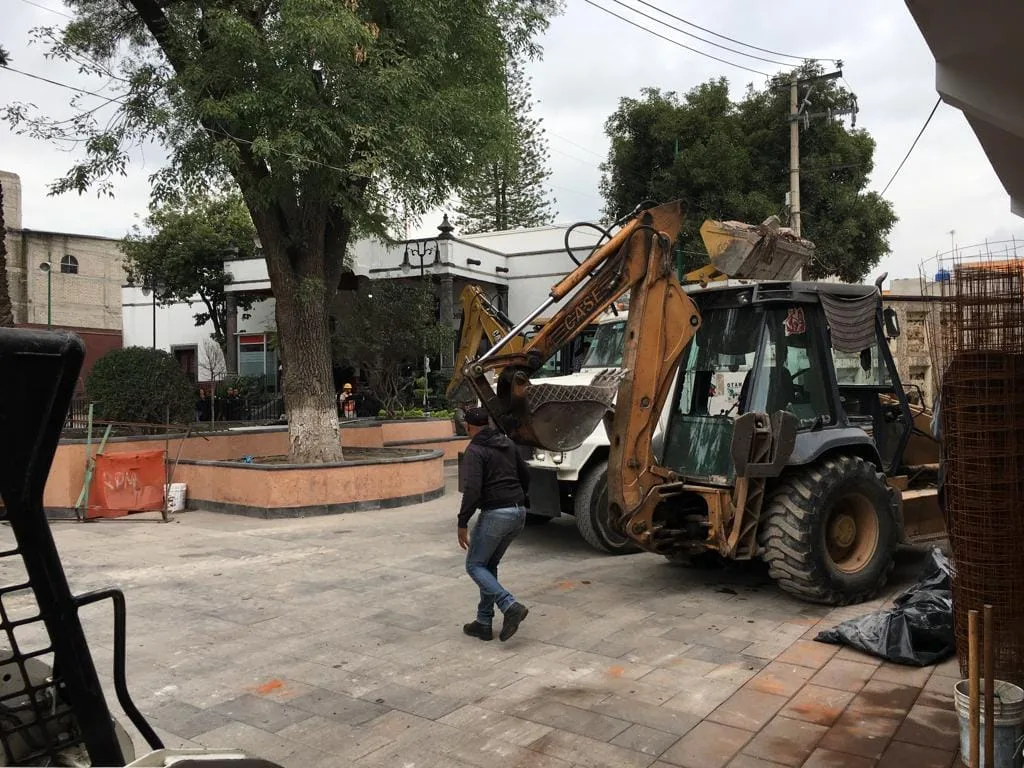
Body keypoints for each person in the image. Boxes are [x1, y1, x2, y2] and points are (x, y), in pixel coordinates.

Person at [458, 407, 530, 642]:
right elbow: (525, 474)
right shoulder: (507, 444)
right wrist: (517, 498)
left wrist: (462, 521)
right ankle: (483, 621)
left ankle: (509, 605)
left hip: (496, 513)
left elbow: (472, 490)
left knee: (474, 565)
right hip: (518, 512)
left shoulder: (475, 450)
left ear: (468, 427)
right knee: (488, 565)